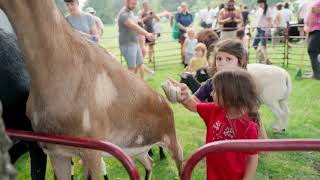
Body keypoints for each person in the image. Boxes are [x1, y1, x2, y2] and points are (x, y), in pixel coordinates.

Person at [170, 39, 268, 139]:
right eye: (219, 59)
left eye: (228, 59)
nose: (222, 63)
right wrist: (184, 95)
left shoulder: (246, 84)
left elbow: (254, 113)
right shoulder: (211, 84)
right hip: (217, 134)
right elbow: (194, 105)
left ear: (240, 61)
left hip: (242, 139)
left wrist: (263, 143)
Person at [187, 68, 260, 180]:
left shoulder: (248, 127)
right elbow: (193, 106)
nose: (211, 94)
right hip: (213, 174)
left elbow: (253, 157)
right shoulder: (215, 109)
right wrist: (181, 95)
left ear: (231, 95)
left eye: (215, 91)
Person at [117, 0, 155, 78]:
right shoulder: (123, 14)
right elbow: (132, 25)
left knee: (140, 63)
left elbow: (135, 23)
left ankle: (142, 84)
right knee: (131, 68)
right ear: (126, 2)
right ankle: (129, 88)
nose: (134, 6)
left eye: (135, 4)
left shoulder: (131, 12)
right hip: (127, 44)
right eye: (132, 4)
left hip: (135, 42)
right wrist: (147, 34)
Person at [304, 0, 320, 80]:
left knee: (312, 51)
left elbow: (316, 10)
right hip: (312, 29)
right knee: (314, 52)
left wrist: (315, 9)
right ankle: (316, 72)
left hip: (317, 30)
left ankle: (317, 74)